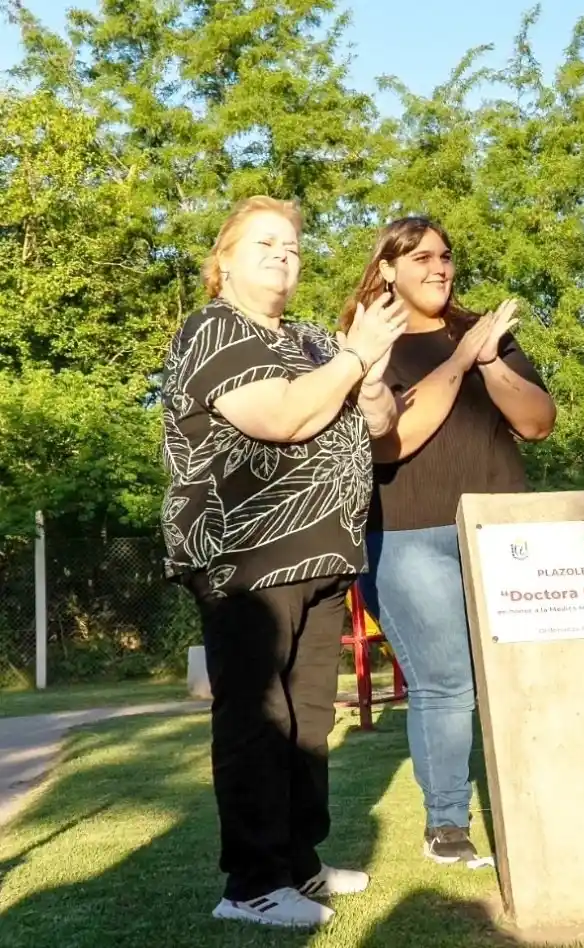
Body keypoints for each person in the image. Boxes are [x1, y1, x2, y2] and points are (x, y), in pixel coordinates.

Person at [161, 196, 407, 928]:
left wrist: (366, 371)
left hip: (322, 555)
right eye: (264, 242)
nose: (282, 254)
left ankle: (298, 863)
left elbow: (378, 425)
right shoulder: (213, 330)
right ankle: (251, 886)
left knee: (306, 720)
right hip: (246, 558)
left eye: (293, 245)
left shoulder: (307, 338)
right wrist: (355, 356)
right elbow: (283, 418)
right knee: (257, 719)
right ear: (224, 260)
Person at [346, 217, 555, 865]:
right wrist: (461, 361)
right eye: (421, 257)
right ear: (387, 269)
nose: (440, 267)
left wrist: (486, 361)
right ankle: (446, 826)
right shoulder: (361, 345)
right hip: (407, 537)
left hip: (500, 535)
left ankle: (533, 807)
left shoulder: (484, 337)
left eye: (446, 255)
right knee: (445, 683)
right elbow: (394, 439)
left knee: (517, 678)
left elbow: (537, 422)